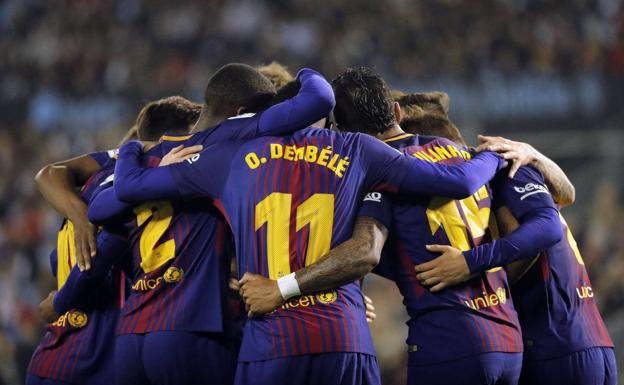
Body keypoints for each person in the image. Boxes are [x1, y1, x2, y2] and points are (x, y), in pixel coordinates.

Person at [406, 96, 617, 385]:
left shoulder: (502, 170)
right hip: (586, 340)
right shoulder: (508, 166)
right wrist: (537, 155)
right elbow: (567, 194)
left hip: (554, 347)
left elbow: (545, 230)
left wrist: (470, 266)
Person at [26, 96, 201, 385]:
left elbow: (48, 174)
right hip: (97, 356)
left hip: (53, 353)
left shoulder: (88, 187)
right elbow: (100, 254)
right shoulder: (139, 196)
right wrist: (62, 299)